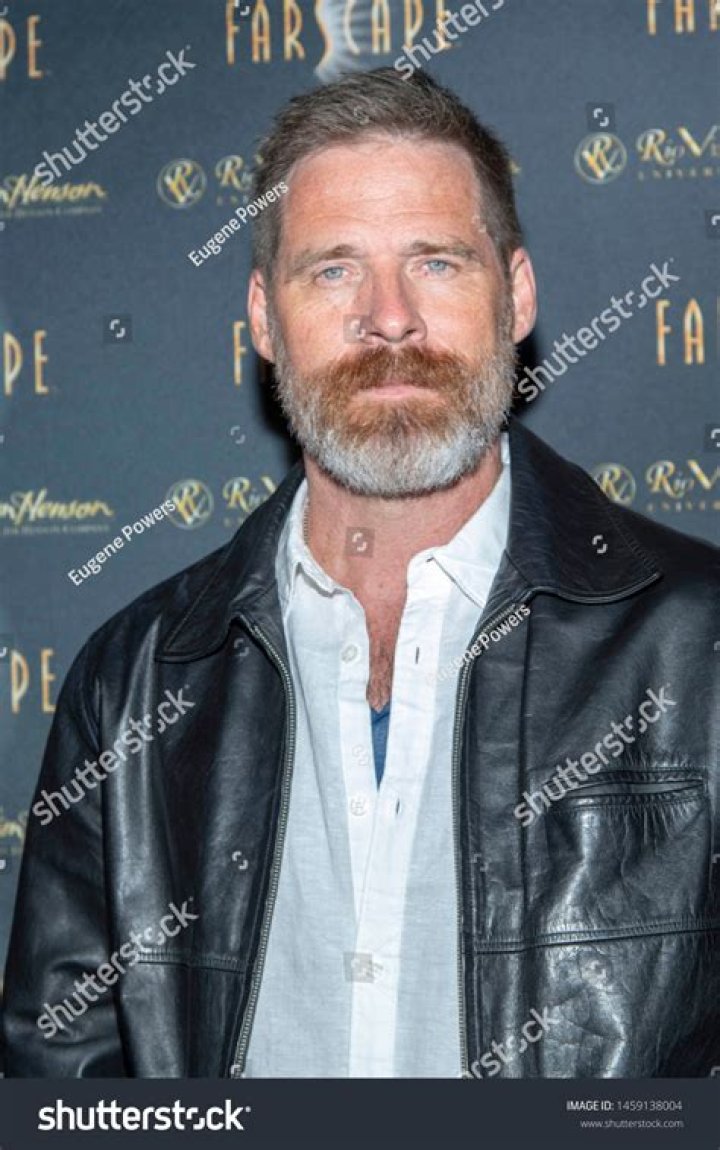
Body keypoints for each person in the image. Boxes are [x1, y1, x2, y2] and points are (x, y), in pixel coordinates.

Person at [3, 67, 718, 1079]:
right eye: (334, 269)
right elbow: (63, 1081)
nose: (389, 318)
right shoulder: (132, 684)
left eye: (436, 262)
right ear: (263, 318)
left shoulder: (697, 648)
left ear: (516, 295)